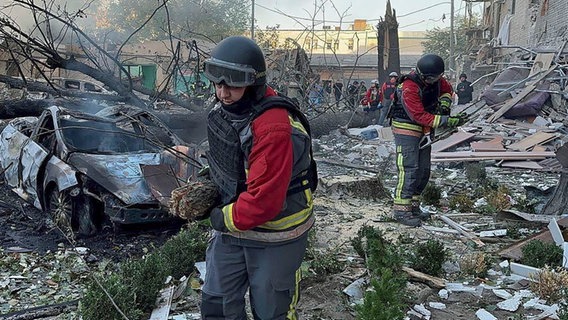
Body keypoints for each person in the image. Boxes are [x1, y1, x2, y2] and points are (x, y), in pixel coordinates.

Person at [200, 36, 317, 319]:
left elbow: (265, 202)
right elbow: (228, 159)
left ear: (253, 83)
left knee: (271, 311)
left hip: (276, 231)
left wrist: (220, 218)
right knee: (217, 305)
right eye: (218, 83)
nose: (223, 93)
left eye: (233, 85)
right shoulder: (227, 109)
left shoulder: (274, 127)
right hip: (235, 225)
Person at [389, 53, 468, 227]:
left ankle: (413, 206)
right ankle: (401, 210)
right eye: (431, 78)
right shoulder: (409, 87)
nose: (434, 81)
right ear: (424, 75)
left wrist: (445, 105)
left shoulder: (439, 81)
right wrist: (446, 121)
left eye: (437, 78)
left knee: (423, 169)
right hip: (406, 126)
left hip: (424, 128)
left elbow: (447, 90)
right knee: (409, 168)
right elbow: (418, 115)